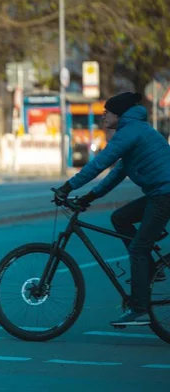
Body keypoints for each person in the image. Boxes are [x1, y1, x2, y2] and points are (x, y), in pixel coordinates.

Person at [55, 91, 170, 326]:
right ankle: (150, 270)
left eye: (107, 111)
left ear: (119, 113)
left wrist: (67, 186)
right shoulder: (132, 132)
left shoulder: (130, 132)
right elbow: (116, 174)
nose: (103, 115)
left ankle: (140, 308)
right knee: (120, 218)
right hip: (160, 193)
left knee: (138, 248)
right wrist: (89, 197)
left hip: (165, 195)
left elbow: (100, 163)